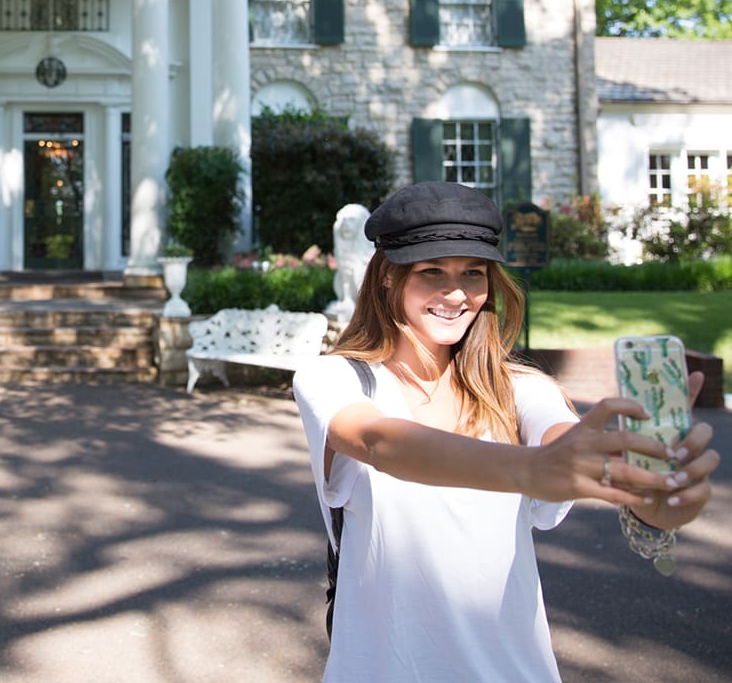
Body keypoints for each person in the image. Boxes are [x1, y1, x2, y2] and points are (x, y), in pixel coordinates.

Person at [292, 181, 719, 683]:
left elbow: (564, 443)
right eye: (432, 272)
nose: (456, 293)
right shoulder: (335, 378)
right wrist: (533, 470)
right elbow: (377, 441)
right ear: (387, 277)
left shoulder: (520, 387)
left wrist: (648, 498)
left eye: (473, 273)